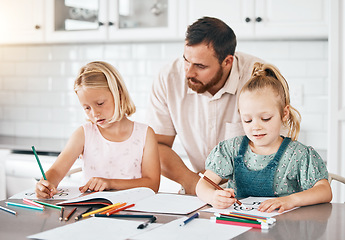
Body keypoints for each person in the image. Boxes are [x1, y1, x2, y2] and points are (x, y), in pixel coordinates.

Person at [146, 16, 265, 195]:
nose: (188, 72)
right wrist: (196, 186)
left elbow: (275, 148)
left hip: (252, 192)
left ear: (227, 62)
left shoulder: (259, 78)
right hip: (198, 190)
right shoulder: (168, 78)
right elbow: (156, 147)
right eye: (186, 60)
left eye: (200, 66)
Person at [196, 62, 332, 213]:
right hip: (239, 225)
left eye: (265, 118)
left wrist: (291, 200)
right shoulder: (231, 149)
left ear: (284, 113)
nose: (256, 126)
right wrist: (212, 196)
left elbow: (324, 191)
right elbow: (203, 185)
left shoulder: (298, 154)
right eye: (247, 120)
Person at [36, 61, 160, 199]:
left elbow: (152, 184)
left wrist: (110, 183)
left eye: (100, 104)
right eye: (87, 108)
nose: (94, 113)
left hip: (134, 208)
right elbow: (56, 171)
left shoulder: (145, 134)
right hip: (91, 212)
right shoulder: (83, 134)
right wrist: (45, 184)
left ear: (118, 94)